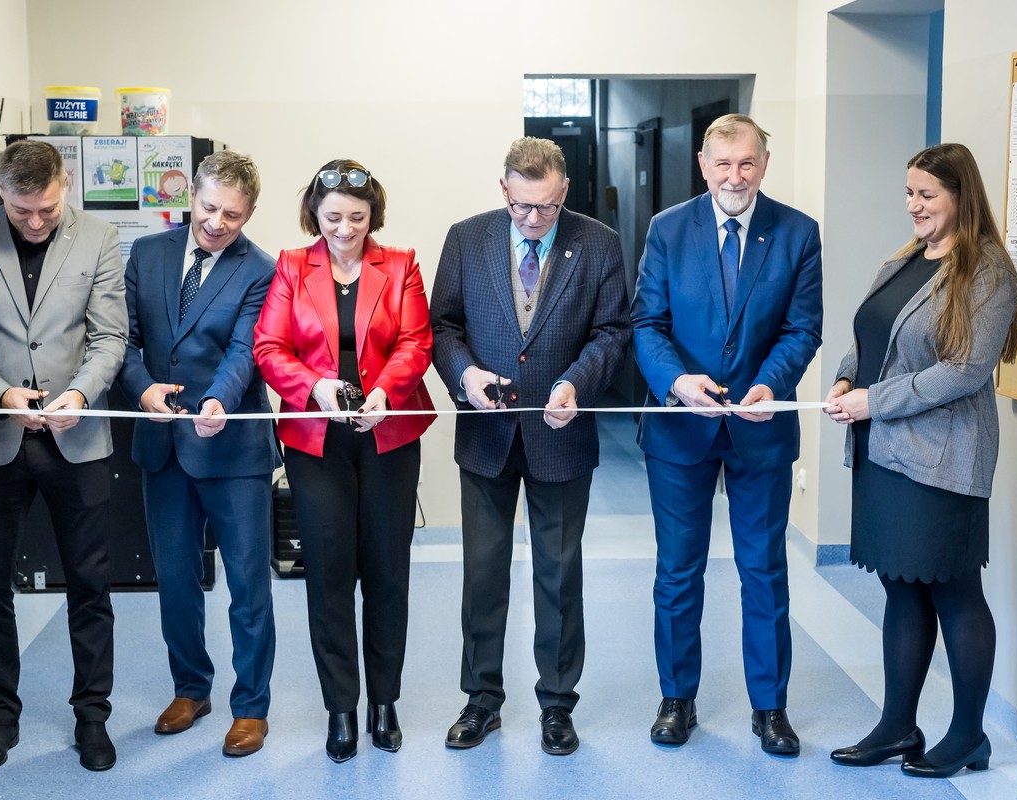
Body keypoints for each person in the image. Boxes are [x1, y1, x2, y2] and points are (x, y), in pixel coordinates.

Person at [429, 137, 631, 756]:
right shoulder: (467, 238)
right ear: (504, 191)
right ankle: (481, 701)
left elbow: (612, 331)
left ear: (563, 191)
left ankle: (557, 704)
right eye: (521, 206)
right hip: (486, 434)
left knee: (559, 575)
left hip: (560, 435)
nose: (533, 218)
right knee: (483, 573)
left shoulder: (599, 242)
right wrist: (465, 376)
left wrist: (576, 383)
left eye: (545, 206)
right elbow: (443, 326)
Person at [824, 142, 1017, 779]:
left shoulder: (988, 271)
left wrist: (872, 401)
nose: (913, 205)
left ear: (962, 196)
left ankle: (968, 737)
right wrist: (845, 379)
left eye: (927, 195)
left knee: (955, 591)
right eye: (909, 192)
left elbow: (964, 370)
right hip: (884, 454)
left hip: (943, 461)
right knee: (901, 587)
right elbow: (871, 339)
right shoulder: (905, 259)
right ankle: (898, 727)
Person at [630, 114, 822, 755]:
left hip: (761, 429)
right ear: (703, 166)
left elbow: (802, 328)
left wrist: (771, 383)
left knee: (763, 570)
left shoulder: (797, 232)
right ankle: (676, 699)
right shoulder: (667, 229)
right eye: (722, 164)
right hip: (680, 429)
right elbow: (647, 323)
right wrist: (676, 383)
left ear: (764, 164)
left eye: (746, 163)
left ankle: (770, 707)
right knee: (677, 571)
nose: (734, 177)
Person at [0, 139, 128, 772]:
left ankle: (92, 716)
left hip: (78, 437)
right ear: (1, 191)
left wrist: (80, 393)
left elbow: (110, 338)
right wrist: (0, 393)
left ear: (63, 184)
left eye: (46, 208)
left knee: (90, 585)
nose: (36, 222)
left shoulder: (99, 238)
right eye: (22, 212)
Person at [254, 159, 435, 762]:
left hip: (387, 434)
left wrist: (385, 392)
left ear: (372, 214)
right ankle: (341, 707)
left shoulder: (401, 264)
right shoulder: (291, 266)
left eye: (357, 217)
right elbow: (270, 347)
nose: (345, 229)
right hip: (317, 439)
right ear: (315, 213)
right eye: (332, 217)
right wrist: (315, 388)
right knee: (329, 576)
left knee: (387, 572)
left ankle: (384, 701)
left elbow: (416, 342)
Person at [116, 150, 280, 756]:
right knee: (176, 580)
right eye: (209, 208)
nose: (216, 223)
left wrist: (218, 401)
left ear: (250, 213)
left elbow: (246, 348)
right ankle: (191, 688)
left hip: (232, 447)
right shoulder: (146, 253)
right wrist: (141, 388)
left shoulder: (261, 269)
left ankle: (251, 706)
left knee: (247, 585)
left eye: (232, 215)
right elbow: (123, 338)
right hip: (162, 445)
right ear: (191, 194)